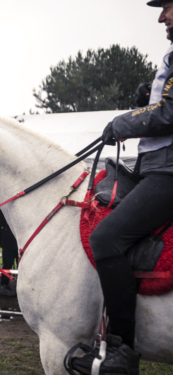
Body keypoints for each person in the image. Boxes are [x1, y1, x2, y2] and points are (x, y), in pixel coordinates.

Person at [70, 1, 173, 373]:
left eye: (168, 7)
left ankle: (122, 352)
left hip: (169, 174)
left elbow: (169, 114)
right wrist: (150, 93)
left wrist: (125, 121)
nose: (161, 16)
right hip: (156, 168)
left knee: (106, 238)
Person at [0, 211, 18, 297]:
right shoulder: (4, 210)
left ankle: (6, 286)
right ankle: (5, 287)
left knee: (8, 266)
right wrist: (1, 241)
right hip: (10, 244)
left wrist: (1, 241)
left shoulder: (4, 209)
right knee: (8, 266)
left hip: (11, 243)